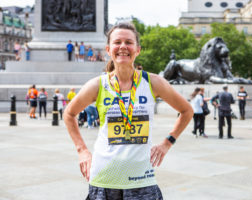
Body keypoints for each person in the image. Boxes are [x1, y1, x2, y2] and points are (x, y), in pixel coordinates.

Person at [63, 22, 193, 199]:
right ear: (108, 49)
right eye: (117, 42)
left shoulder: (152, 82)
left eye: (128, 42)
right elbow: (69, 114)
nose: (123, 46)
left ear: (137, 49)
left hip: (141, 179)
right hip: (104, 179)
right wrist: (82, 151)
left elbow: (186, 111)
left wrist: (167, 143)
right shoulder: (98, 85)